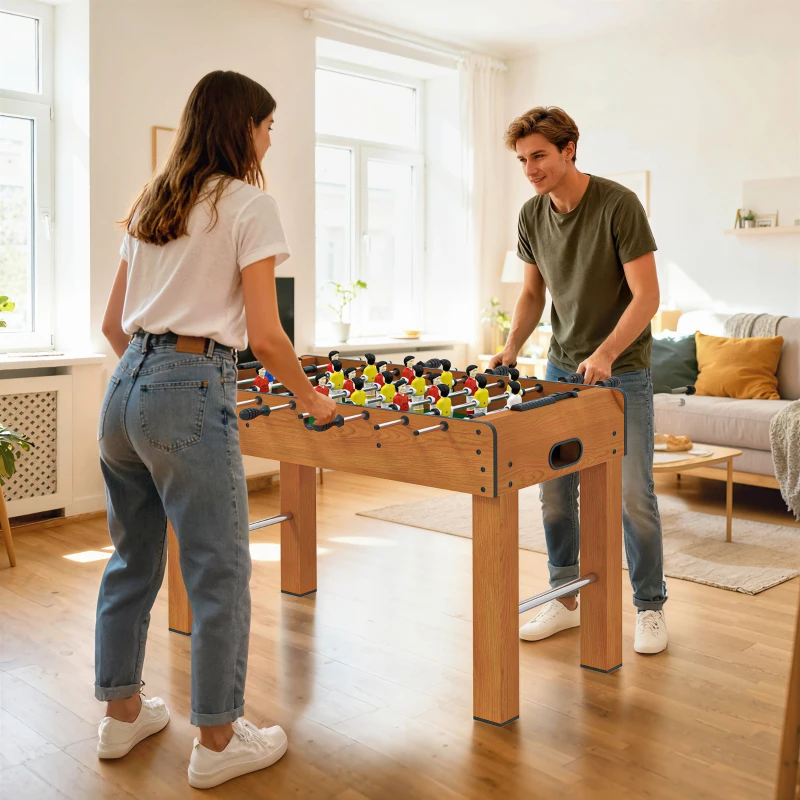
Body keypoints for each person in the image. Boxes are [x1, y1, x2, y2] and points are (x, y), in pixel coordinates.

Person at [94, 70, 337, 789]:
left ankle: (121, 715)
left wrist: (148, 383)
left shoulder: (153, 200)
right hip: (191, 383)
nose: (270, 139)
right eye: (267, 127)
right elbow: (266, 336)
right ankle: (219, 739)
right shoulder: (249, 204)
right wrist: (312, 401)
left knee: (130, 560)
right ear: (243, 127)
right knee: (219, 569)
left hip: (122, 388)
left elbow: (112, 325)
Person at [490, 106, 667, 655]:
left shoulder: (618, 205)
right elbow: (531, 293)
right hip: (560, 370)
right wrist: (511, 346)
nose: (530, 169)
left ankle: (649, 607)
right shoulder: (530, 214)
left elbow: (648, 296)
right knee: (554, 495)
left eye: (539, 156)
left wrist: (608, 353)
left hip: (624, 373)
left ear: (570, 149)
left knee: (633, 495)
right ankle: (565, 599)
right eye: (522, 160)